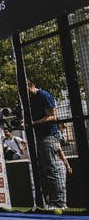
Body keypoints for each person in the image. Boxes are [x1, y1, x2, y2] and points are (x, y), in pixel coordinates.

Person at [27, 78, 71, 210]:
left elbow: (53, 116)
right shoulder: (30, 99)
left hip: (49, 136)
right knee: (45, 170)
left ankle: (59, 203)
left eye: (27, 89)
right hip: (39, 136)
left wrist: (34, 123)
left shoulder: (43, 95)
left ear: (32, 85)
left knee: (51, 169)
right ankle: (51, 201)